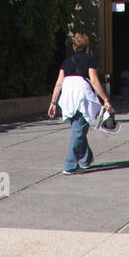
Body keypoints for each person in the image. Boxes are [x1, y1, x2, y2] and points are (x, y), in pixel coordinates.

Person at [48, 32, 113, 174]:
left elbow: (59, 84)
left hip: (67, 96)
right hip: (82, 96)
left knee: (78, 128)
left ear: (74, 46)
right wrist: (105, 99)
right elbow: (94, 80)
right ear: (87, 47)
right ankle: (70, 165)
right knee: (79, 132)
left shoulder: (67, 61)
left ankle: (86, 159)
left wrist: (53, 102)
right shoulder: (89, 60)